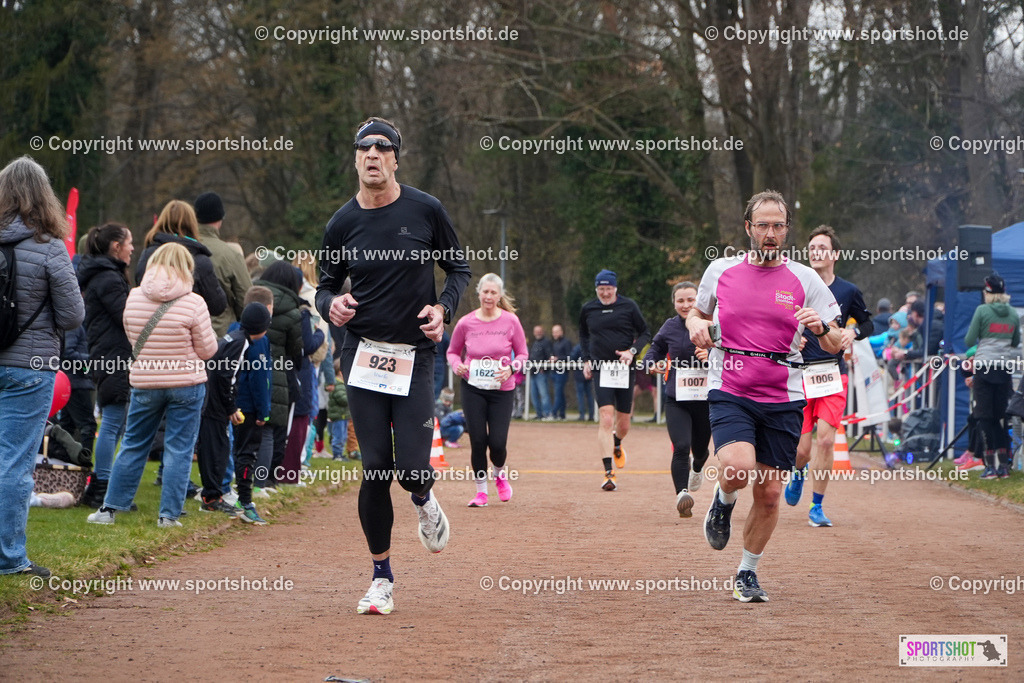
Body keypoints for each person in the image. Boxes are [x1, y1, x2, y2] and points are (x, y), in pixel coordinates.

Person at [315, 116, 471, 615]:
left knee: (408, 468)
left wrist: (443, 308)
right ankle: (381, 577)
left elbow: (459, 266)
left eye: (383, 148)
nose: (373, 155)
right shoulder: (341, 223)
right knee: (375, 467)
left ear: (395, 158)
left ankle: (423, 498)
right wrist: (329, 306)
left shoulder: (425, 210)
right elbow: (324, 285)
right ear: (356, 158)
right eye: (365, 148)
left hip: (416, 355)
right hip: (362, 355)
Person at [688, 190, 841, 603]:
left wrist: (822, 330)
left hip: (783, 393)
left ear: (787, 230)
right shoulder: (721, 270)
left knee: (771, 493)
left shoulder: (805, 279)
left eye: (778, 226)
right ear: (748, 228)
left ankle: (746, 573)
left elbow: (838, 341)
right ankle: (722, 501)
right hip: (731, 385)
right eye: (763, 226)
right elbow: (695, 313)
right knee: (737, 468)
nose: (770, 234)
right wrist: (693, 326)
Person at [87, 242, 218, 527]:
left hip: (145, 382)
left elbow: (133, 338)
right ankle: (168, 515)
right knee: (179, 448)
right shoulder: (194, 303)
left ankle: (109, 509)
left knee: (133, 443)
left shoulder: (133, 298)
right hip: (186, 383)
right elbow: (208, 350)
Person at [0, 156, 85, 578]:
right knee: (15, 462)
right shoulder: (49, 246)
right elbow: (72, 315)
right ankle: (11, 557)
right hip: (30, 367)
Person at [783, 225, 873, 527]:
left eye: (822, 248)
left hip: (833, 373)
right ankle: (798, 472)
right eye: (812, 248)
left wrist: (852, 331)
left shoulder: (848, 291)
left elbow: (867, 324)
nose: (816, 252)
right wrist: (793, 338)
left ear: (835, 254)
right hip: (799, 374)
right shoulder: (795, 285)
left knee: (825, 441)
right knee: (801, 450)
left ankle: (816, 506)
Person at [447, 273, 528, 507]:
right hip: (473, 388)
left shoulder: (511, 321)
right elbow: (452, 352)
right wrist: (457, 365)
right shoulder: (466, 322)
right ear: (479, 293)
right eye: (485, 292)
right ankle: (481, 492)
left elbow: (523, 353)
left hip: (502, 389)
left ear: (499, 295)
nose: (489, 296)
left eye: (493, 292)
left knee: (498, 443)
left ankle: (500, 474)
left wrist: (512, 368)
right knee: (478, 441)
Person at [76, 222, 135, 508]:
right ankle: (101, 488)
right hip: (114, 357)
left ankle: (102, 485)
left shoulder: (102, 275)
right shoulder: (110, 279)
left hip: (107, 353)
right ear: (116, 246)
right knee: (111, 422)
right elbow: (128, 317)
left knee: (114, 422)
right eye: (129, 243)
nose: (133, 249)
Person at [196, 302, 272, 517]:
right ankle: (212, 497)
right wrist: (230, 407)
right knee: (217, 450)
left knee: (215, 449)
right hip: (216, 406)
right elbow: (225, 376)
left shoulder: (234, 337)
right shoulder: (241, 344)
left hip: (211, 401)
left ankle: (212, 495)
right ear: (262, 328)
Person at [643, 282, 712, 518]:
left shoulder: (712, 323)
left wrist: (711, 354)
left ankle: (699, 465)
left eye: (690, 300)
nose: (685, 305)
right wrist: (651, 364)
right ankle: (682, 495)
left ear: (699, 300)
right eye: (680, 301)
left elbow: (733, 351)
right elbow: (655, 350)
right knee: (681, 447)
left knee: (701, 450)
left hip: (706, 400)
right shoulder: (670, 327)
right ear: (674, 302)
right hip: (677, 398)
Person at [579, 269, 651, 491]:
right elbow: (583, 335)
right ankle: (608, 473)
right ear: (596, 289)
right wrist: (586, 360)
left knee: (624, 422)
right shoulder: (588, 309)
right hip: (601, 368)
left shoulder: (629, 306)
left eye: (609, 289)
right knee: (606, 417)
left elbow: (645, 333)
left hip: (623, 368)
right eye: (601, 289)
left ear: (616, 288)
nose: (605, 293)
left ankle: (617, 443)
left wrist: (632, 351)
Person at [253, 261, 306, 490]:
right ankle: (267, 480)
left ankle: (245, 479)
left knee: (248, 430)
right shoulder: (294, 313)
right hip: (280, 374)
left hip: (250, 368)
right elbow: (296, 353)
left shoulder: (252, 297)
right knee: (274, 430)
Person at [964, 273, 1021, 478]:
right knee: (1001, 418)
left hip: (984, 368)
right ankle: (1004, 466)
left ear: (987, 292)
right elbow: (1015, 342)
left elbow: (969, 338)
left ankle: (989, 467)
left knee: (984, 417)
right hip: (1004, 369)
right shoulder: (1013, 314)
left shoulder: (982, 311)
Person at [136, 199, 227, 317]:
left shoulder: (148, 255)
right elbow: (217, 306)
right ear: (192, 223)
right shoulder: (199, 261)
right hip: (185, 329)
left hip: (149, 327)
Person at [231, 301, 273, 523]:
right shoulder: (259, 342)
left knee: (236, 451)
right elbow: (260, 379)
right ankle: (245, 501)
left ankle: (233, 494)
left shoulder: (234, 332)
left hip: (233, 404)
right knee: (247, 454)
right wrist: (263, 412)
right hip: (249, 408)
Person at [194, 192, 252, 336]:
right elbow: (246, 300)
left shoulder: (176, 250)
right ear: (220, 218)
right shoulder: (231, 254)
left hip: (183, 336)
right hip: (221, 337)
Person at [528, 325, 552, 419]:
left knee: (544, 394)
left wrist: (544, 368)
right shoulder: (534, 343)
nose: (538, 333)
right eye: (536, 331)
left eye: (540, 331)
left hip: (541, 373)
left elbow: (549, 357)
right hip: (532, 372)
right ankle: (539, 414)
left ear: (543, 332)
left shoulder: (546, 342)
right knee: (533, 395)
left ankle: (548, 414)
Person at [549, 324, 573, 420]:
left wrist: (558, 359)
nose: (554, 334)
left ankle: (554, 413)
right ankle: (562, 414)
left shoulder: (566, 342)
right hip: (555, 371)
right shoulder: (555, 344)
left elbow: (569, 357)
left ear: (561, 332)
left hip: (562, 372)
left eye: (555, 332)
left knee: (558, 393)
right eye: (553, 332)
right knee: (560, 394)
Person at [328, 360, 350, 461]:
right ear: (341, 372)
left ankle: (340, 453)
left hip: (343, 416)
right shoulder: (338, 385)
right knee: (338, 436)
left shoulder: (341, 384)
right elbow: (343, 400)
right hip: (338, 416)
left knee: (343, 436)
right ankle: (337, 455)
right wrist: (351, 398)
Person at [571, 342, 594, 421]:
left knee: (581, 396)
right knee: (589, 396)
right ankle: (591, 415)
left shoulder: (578, 347)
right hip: (589, 375)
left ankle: (582, 415)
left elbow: (572, 358)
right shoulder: (592, 346)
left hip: (580, 375)